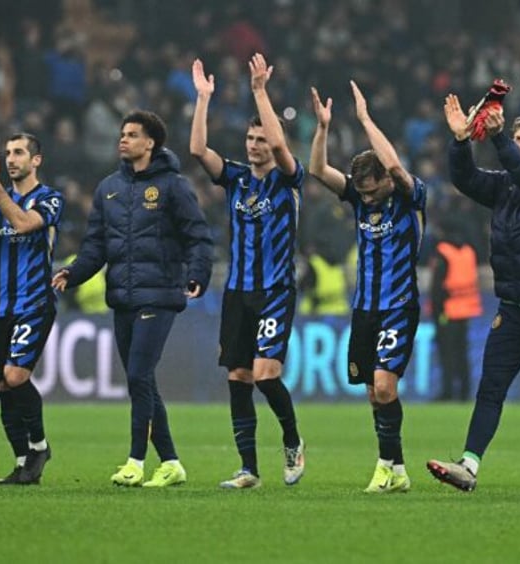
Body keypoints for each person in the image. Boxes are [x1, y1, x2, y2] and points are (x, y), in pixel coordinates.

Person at [52, 110, 213, 488]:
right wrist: (73, 273)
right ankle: (171, 462)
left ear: (150, 143)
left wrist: (198, 273)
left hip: (159, 296)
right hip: (122, 297)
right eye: (122, 133)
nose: (122, 139)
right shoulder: (109, 188)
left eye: (131, 134)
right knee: (142, 382)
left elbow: (199, 236)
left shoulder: (174, 186)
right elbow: (95, 246)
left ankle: (135, 462)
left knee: (139, 375)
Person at [426, 96, 520, 492]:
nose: (513, 143)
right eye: (511, 137)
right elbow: (466, 180)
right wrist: (461, 142)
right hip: (514, 309)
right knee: (491, 387)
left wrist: (497, 141)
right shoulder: (505, 187)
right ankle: (469, 465)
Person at [190, 55, 305, 489]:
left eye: (261, 138)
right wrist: (204, 99)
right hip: (237, 291)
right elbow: (198, 150)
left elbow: (281, 150)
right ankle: (249, 469)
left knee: (265, 374)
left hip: (275, 290)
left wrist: (259, 91)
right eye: (250, 138)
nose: (255, 145)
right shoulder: (236, 178)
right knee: (238, 376)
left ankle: (293, 441)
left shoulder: (288, 179)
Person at [310, 81, 426, 493]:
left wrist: (363, 119)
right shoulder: (361, 199)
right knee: (372, 393)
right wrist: (323, 127)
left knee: (383, 385)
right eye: (361, 191)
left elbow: (394, 167)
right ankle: (397, 470)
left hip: (399, 305)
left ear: (387, 182)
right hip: (364, 308)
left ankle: (384, 466)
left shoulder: (411, 196)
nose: (368, 198)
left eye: (373, 189)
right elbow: (317, 171)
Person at [0, 133, 63, 485]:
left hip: (34, 302)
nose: (12, 158)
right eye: (8, 153)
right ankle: (23, 464)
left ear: (37, 160)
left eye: (19, 153)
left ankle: (39, 446)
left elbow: (22, 223)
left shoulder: (50, 199)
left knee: (17, 375)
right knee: (3, 385)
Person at [428, 212, 482, 402]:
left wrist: (436, 313)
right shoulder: (468, 251)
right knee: (462, 353)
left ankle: (448, 391)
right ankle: (465, 392)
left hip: (448, 311)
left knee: (447, 353)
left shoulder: (443, 252)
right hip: (466, 309)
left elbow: (437, 287)